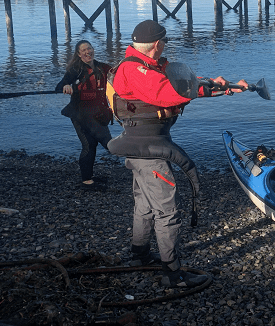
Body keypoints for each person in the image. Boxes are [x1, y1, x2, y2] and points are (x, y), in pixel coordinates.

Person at [107, 20, 249, 288]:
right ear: (157, 44)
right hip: (147, 149)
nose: (165, 47)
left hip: (142, 144)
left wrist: (220, 86)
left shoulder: (143, 66)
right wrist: (210, 88)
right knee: (167, 211)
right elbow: (169, 92)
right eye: (165, 43)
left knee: (145, 204)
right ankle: (172, 273)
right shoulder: (136, 70)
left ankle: (139, 255)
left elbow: (178, 83)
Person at [55, 40, 113, 191]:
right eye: (84, 50)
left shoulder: (102, 67)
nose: (88, 52)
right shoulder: (76, 69)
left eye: (90, 48)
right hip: (80, 114)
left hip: (99, 112)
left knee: (92, 145)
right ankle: (87, 181)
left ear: (93, 50)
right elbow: (60, 86)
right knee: (103, 143)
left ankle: (88, 178)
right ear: (79, 54)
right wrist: (67, 86)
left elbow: (119, 74)